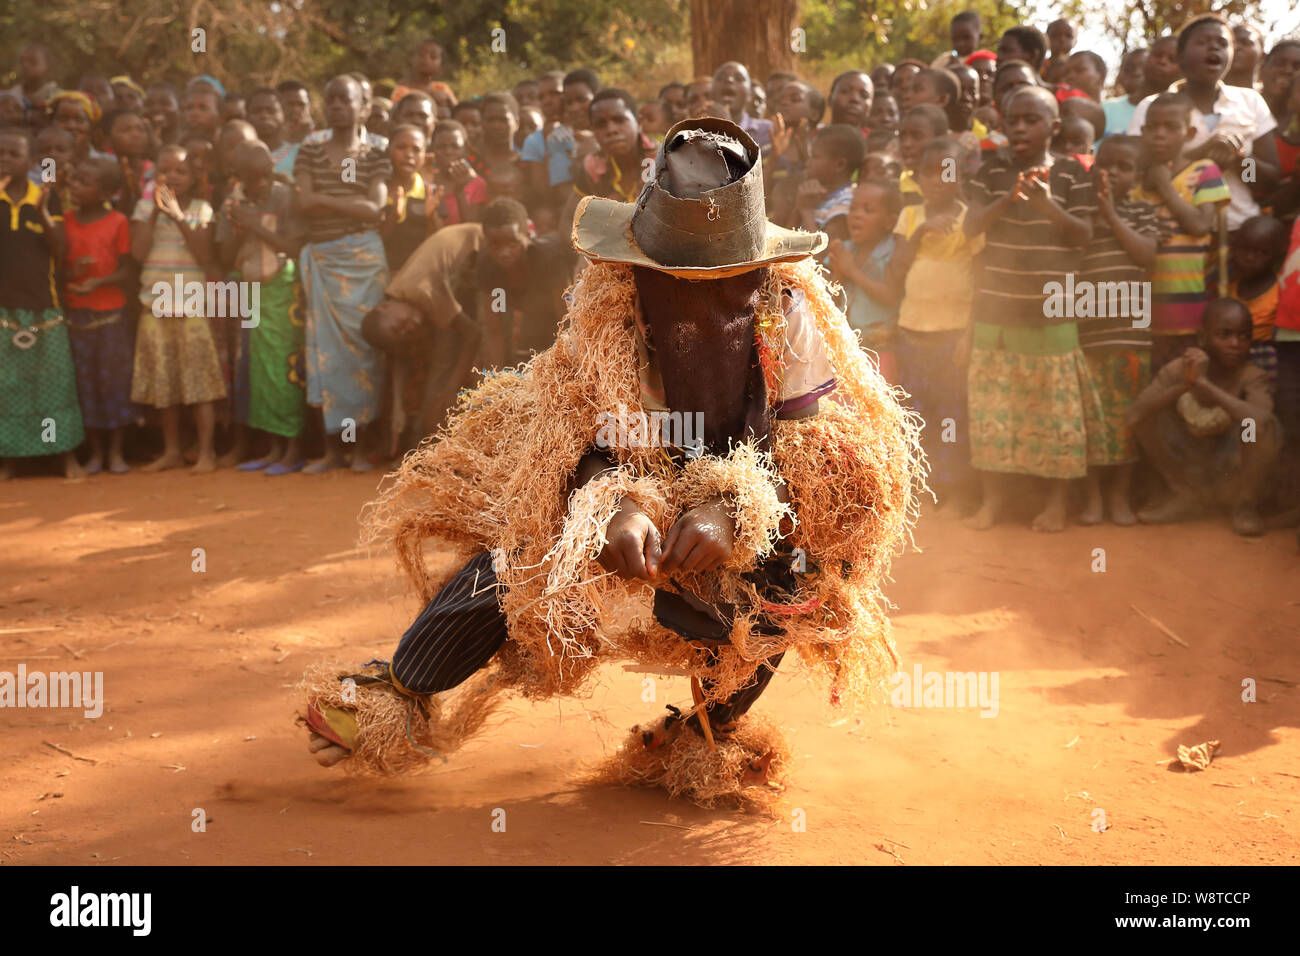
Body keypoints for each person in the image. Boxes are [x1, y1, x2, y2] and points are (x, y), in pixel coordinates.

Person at [302, 117, 919, 811]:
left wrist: (736, 509)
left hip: (752, 491)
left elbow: (810, 453)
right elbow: (574, 444)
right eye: (672, 280)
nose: (692, 301)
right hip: (632, 476)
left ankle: (709, 732)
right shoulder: (607, 301)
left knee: (797, 579)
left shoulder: (790, 305)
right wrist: (614, 507)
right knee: (525, 553)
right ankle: (397, 693)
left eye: (716, 283)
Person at [963, 86, 1102, 532]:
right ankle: (994, 502)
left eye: (1032, 120)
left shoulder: (1074, 174)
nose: (1020, 128)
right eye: (1013, 119)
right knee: (992, 416)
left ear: (1054, 128)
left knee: (1055, 417)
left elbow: (1084, 235)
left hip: (1054, 313)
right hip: (996, 312)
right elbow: (970, 227)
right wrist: (1009, 199)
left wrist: (1046, 204)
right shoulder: (992, 170)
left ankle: (1056, 504)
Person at [293, 74, 390, 474]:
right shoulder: (309, 150)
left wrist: (324, 200)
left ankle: (359, 449)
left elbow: (377, 209)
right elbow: (303, 203)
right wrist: (354, 203)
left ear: (362, 107)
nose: (335, 105)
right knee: (325, 359)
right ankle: (333, 451)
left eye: (344, 99)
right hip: (325, 261)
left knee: (365, 355)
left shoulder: (375, 153)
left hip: (364, 262)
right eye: (329, 98)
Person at [889, 137, 984, 514]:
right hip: (912, 331)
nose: (936, 180)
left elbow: (980, 281)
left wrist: (969, 335)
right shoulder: (910, 216)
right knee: (916, 411)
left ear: (959, 176)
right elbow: (896, 270)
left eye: (945, 171)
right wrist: (920, 232)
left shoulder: (970, 218)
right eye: (927, 173)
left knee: (952, 415)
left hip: (952, 334)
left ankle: (955, 489)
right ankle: (921, 487)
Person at [1128, 298, 1278, 535]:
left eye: (1244, 336)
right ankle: (1183, 494)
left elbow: (1261, 422)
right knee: (1148, 415)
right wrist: (1187, 383)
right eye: (1224, 335)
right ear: (1203, 337)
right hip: (1189, 464)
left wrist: (1205, 386)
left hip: (1231, 471)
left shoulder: (1252, 375)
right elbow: (1135, 415)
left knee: (1256, 426)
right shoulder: (1182, 368)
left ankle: (1244, 505)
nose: (1235, 343)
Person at [1128, 15, 1279, 233]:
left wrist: (1240, 161)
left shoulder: (1251, 102)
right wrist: (1202, 153)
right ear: (1180, 57)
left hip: (1238, 233)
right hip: (1172, 236)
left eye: (1222, 43)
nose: (1214, 47)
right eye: (1203, 42)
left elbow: (1265, 183)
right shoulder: (1152, 107)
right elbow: (1141, 173)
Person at [1077, 136, 1161, 526]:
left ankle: (1119, 497)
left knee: (1127, 421)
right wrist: (1096, 214)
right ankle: (1093, 497)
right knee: (1092, 422)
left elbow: (1146, 255)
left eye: (1125, 167)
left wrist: (1112, 215)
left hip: (1130, 336)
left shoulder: (1143, 211)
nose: (1112, 173)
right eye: (1105, 164)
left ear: (1139, 176)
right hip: (1088, 335)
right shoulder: (1080, 213)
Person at [129, 144, 225, 472]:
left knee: (200, 384)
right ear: (155, 176)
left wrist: (179, 217)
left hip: (190, 309)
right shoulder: (143, 210)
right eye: (166, 171)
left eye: (181, 171)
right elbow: (138, 254)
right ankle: (171, 451)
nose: (173, 177)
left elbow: (204, 255)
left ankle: (206, 453)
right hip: (154, 309)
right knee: (164, 385)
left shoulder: (201, 209)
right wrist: (157, 211)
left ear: (193, 176)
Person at [215, 141, 307, 475]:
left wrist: (252, 223)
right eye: (253, 177)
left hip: (284, 291)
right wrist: (240, 227)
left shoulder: (285, 198)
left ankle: (293, 449)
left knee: (285, 368)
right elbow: (225, 258)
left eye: (267, 174)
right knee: (260, 371)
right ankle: (273, 447)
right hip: (251, 291)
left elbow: (295, 247)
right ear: (238, 177)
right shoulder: (232, 204)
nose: (262, 183)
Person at [0, 128, 85, 481]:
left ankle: (61, 455)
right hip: (4, 310)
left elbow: (61, 251)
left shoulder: (46, 198)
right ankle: (11, 460)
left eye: (13, 154)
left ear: (31, 162)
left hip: (45, 306)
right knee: (9, 387)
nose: (5, 158)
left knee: (53, 387)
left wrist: (43, 213)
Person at [362, 221, 485, 454]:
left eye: (400, 326)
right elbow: (399, 356)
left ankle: (432, 449)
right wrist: (398, 406)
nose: (409, 328)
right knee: (440, 361)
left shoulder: (420, 292)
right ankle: (428, 446)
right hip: (464, 277)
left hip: (483, 251)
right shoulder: (399, 296)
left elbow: (473, 334)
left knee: (447, 364)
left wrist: (451, 388)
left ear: (385, 307)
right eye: (404, 334)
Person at [1129, 92, 1231, 371]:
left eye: (1171, 127)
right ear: (1143, 131)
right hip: (1144, 311)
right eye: (1153, 127)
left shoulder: (1205, 171)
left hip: (1190, 310)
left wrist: (1165, 187)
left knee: (1184, 384)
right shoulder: (1136, 180)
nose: (1160, 135)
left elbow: (1199, 226)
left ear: (1189, 133)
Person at [62, 157, 136, 475]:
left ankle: (116, 452)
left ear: (105, 190)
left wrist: (98, 282)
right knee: (86, 385)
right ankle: (94, 453)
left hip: (110, 315)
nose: (74, 185)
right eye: (73, 180)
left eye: (84, 181)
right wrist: (72, 273)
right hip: (76, 314)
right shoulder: (63, 221)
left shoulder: (118, 221)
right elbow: (55, 267)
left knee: (113, 384)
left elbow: (128, 269)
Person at [474, 198, 575, 366]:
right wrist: (494, 380)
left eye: (512, 243)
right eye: (495, 245)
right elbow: (494, 331)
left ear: (527, 235)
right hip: (528, 313)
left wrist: (568, 366)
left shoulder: (549, 260)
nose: (504, 253)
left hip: (562, 313)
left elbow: (567, 320)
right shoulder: (488, 269)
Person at [827, 179, 901, 379]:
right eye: (853, 209)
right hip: (844, 349)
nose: (856, 215)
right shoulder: (846, 249)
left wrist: (851, 271)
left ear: (890, 222)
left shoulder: (892, 251)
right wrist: (839, 273)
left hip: (878, 350)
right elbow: (829, 299)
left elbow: (890, 296)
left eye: (868, 210)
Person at [1225, 214, 1286, 383]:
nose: (1250, 258)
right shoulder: (1227, 286)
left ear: (1277, 255)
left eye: (1261, 253)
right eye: (1244, 250)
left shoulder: (1280, 291)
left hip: (1265, 359)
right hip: (1230, 355)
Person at [795, 124, 863, 243]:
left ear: (839, 165)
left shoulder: (848, 201)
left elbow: (821, 253)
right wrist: (800, 205)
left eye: (815, 157)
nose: (808, 163)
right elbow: (786, 236)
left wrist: (806, 210)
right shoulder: (812, 193)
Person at [380, 123, 432, 271]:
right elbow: (372, 243)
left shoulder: (431, 193)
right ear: (388, 150)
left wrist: (431, 217)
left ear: (425, 156)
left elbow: (436, 244)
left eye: (416, 150)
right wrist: (393, 218)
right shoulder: (376, 190)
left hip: (417, 274)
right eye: (401, 147)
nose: (409, 154)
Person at [430, 119, 486, 226]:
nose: (448, 152)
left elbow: (471, 228)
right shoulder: (425, 180)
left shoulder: (477, 184)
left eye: (455, 147)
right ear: (433, 149)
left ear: (466, 150)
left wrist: (460, 191)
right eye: (442, 146)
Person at [897, 104, 948, 207]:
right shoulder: (896, 187)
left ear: (940, 140)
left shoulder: (951, 187)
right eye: (902, 137)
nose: (907, 144)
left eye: (917, 136)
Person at [711, 62, 772, 148]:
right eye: (721, 78)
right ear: (711, 91)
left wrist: (728, 129)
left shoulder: (767, 131)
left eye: (739, 78)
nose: (729, 79)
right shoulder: (695, 131)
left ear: (750, 94)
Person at [246, 87, 298, 181]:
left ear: (284, 115)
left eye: (271, 111)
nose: (264, 116)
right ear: (246, 116)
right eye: (257, 111)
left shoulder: (299, 153)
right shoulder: (241, 155)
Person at [1102, 49, 1150, 142]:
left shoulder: (1160, 110)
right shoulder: (1106, 108)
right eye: (1129, 69)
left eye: (1143, 68)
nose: (1136, 73)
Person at [48, 91, 104, 163]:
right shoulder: (41, 165)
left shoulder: (108, 165)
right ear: (51, 123)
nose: (71, 126)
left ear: (91, 126)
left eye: (79, 120)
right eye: (63, 119)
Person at [5, 43, 58, 115]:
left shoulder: (56, 96)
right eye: (21, 62)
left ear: (48, 68)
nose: (25, 65)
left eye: (33, 62)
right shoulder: (13, 94)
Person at [1227, 23, 1265, 90]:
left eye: (1245, 42)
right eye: (1231, 43)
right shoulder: (1207, 91)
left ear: (1262, 56)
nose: (1236, 47)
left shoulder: (1268, 98)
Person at [144, 83, 181, 148]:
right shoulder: (137, 137)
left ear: (179, 107)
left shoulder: (188, 138)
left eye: (165, 103)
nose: (156, 108)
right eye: (149, 104)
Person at [1043, 19, 1077, 84]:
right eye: (1055, 35)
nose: (1062, 39)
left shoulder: (1078, 68)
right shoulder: (1041, 66)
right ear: (1046, 39)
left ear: (1075, 41)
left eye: (1068, 36)